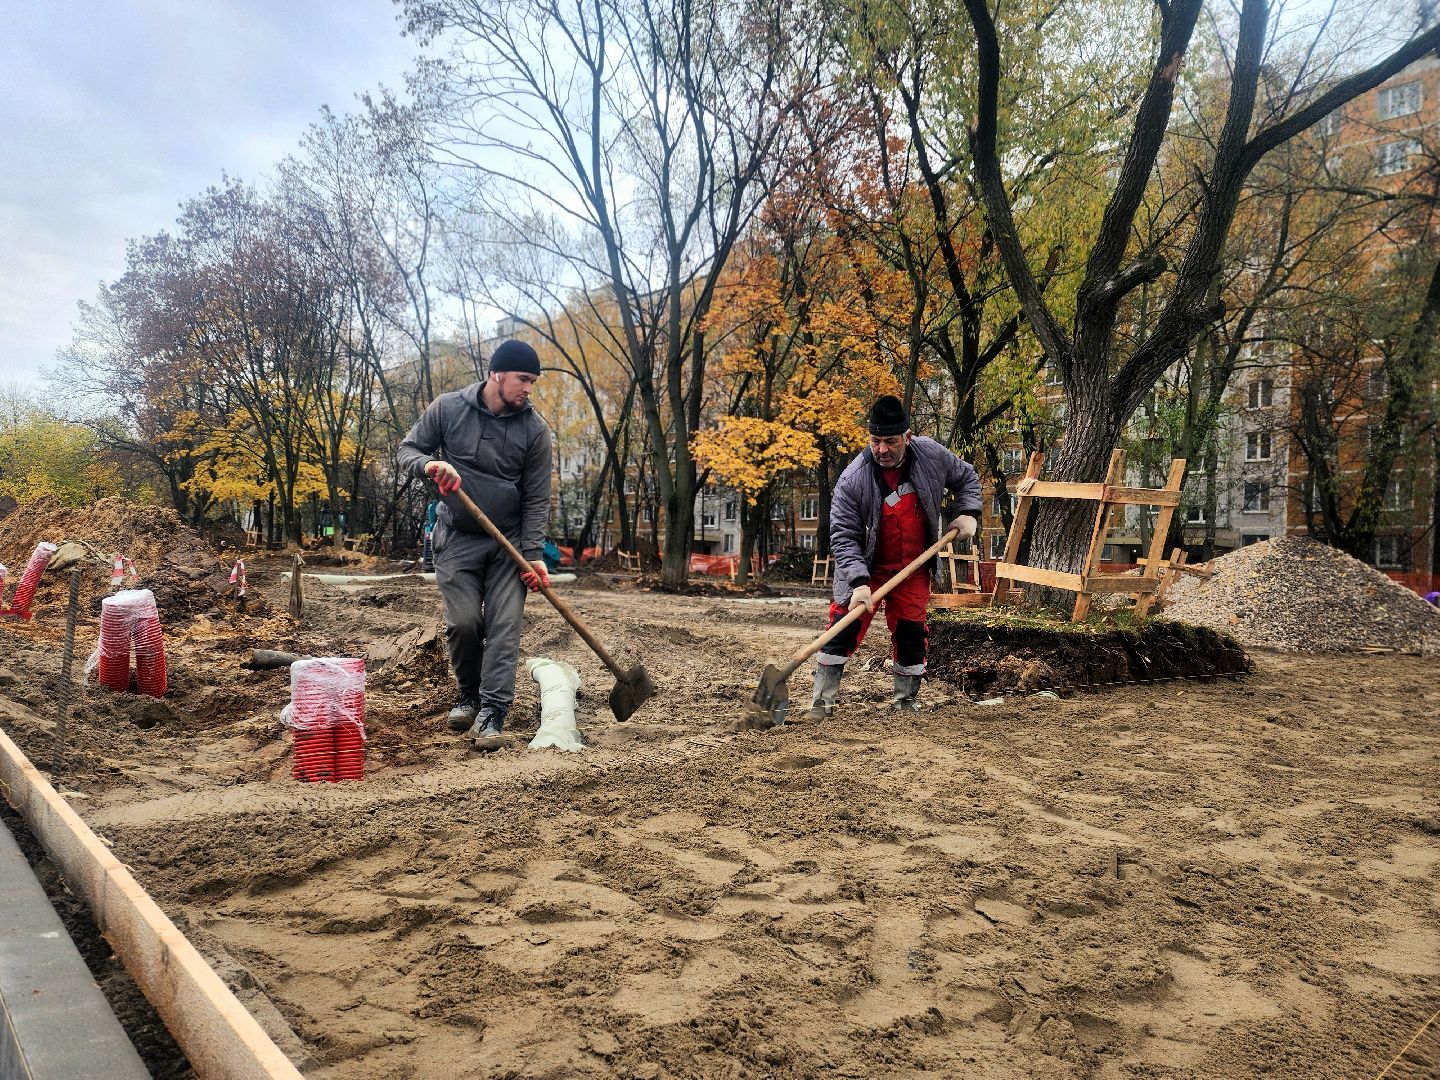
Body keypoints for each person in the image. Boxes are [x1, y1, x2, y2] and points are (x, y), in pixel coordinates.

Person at [396, 340, 554, 744]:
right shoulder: (449, 408)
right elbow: (407, 450)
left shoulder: (535, 430)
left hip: (509, 545)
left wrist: (532, 556)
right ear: (496, 374)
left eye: (533, 382)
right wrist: (429, 464)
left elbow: (537, 497)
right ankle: (468, 695)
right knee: (464, 624)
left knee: (504, 627)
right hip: (457, 537)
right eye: (523, 379)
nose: (528, 389)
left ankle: (493, 712)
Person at [807, 395, 983, 720]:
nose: (882, 449)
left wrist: (968, 512)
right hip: (867, 567)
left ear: (908, 437)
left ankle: (905, 703)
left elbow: (967, 477)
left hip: (914, 565)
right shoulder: (852, 480)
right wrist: (858, 583)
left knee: (910, 632)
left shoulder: (930, 455)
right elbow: (844, 536)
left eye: (890, 441)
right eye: (876, 441)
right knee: (842, 628)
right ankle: (822, 703)